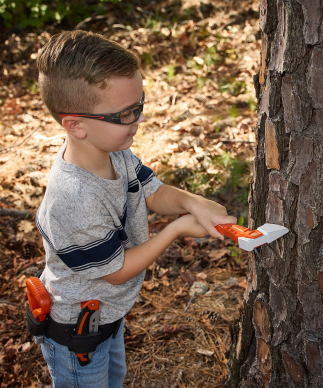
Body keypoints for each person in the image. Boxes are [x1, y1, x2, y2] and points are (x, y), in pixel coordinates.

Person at [34, 30, 236, 388]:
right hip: (77, 332)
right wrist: (175, 229)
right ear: (75, 125)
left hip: (107, 316)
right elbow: (116, 271)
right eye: (124, 115)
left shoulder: (114, 150)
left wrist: (194, 202)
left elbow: (151, 192)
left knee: (115, 379)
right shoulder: (74, 197)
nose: (137, 121)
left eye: (139, 105)